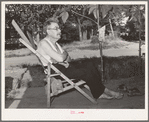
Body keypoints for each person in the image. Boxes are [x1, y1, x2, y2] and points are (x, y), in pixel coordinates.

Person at [36, 19, 124, 100]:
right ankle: (101, 93)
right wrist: (63, 55)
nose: (60, 31)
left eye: (59, 28)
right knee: (86, 71)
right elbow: (61, 57)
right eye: (56, 29)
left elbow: (68, 59)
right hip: (55, 71)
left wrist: (62, 57)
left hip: (63, 66)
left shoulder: (55, 44)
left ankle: (103, 90)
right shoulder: (44, 43)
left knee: (90, 64)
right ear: (48, 31)